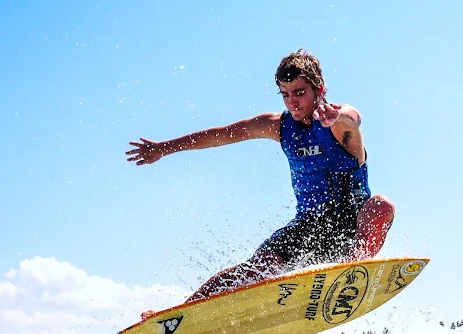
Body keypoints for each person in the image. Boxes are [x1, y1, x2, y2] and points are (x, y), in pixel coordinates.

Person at [126, 49, 395, 319]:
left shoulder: (338, 123)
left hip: (351, 228)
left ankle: (352, 274)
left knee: (382, 206)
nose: (293, 103)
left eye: (299, 93)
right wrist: (164, 148)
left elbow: (354, 117)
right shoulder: (278, 126)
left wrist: (337, 116)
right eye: (285, 94)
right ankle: (178, 316)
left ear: (319, 89)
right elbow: (223, 134)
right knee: (256, 269)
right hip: (308, 227)